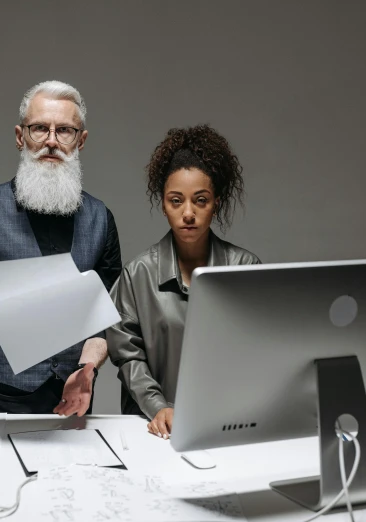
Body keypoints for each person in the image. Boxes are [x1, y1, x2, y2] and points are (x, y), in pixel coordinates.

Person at [0, 80, 121, 415]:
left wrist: (86, 370)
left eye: (65, 131)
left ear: (81, 141)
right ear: (20, 137)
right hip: (5, 402)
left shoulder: (101, 219)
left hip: (77, 402)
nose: (51, 141)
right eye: (39, 128)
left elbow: (106, 318)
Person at [107, 124, 260, 438]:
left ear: (216, 201)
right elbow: (127, 356)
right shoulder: (138, 274)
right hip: (154, 430)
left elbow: (260, 354)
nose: (188, 213)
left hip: (227, 426)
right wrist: (158, 407)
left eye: (200, 200)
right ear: (163, 205)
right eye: (176, 201)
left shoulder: (246, 268)